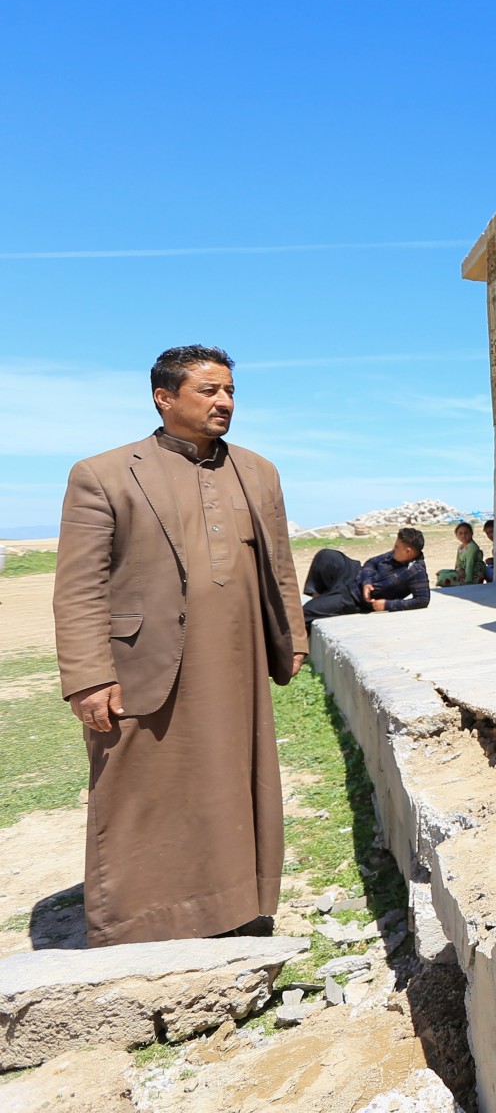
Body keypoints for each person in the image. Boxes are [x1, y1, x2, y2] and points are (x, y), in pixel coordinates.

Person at [53, 345, 305, 944]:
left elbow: (281, 564)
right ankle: (138, 924)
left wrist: (291, 635)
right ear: (164, 398)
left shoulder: (258, 470)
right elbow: (79, 583)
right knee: (141, 789)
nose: (224, 402)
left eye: (230, 392)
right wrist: (89, 674)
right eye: (208, 391)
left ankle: (240, 908)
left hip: (238, 660)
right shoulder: (105, 473)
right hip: (144, 667)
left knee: (237, 781)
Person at [358, 528, 430, 611]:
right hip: (355, 575)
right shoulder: (395, 554)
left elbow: (422, 600)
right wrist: (367, 582)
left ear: (407, 551)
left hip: (355, 597)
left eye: (396, 547)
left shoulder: (416, 571)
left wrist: (387, 605)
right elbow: (371, 562)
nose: (393, 549)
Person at [436, 521, 485, 587]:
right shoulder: (461, 547)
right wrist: (458, 570)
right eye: (460, 533)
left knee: (444, 579)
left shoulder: (472, 546)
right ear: (457, 535)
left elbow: (469, 564)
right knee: (441, 573)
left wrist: (468, 581)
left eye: (466, 533)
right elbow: (458, 563)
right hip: (462, 572)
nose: (463, 535)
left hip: (472, 575)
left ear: (471, 534)